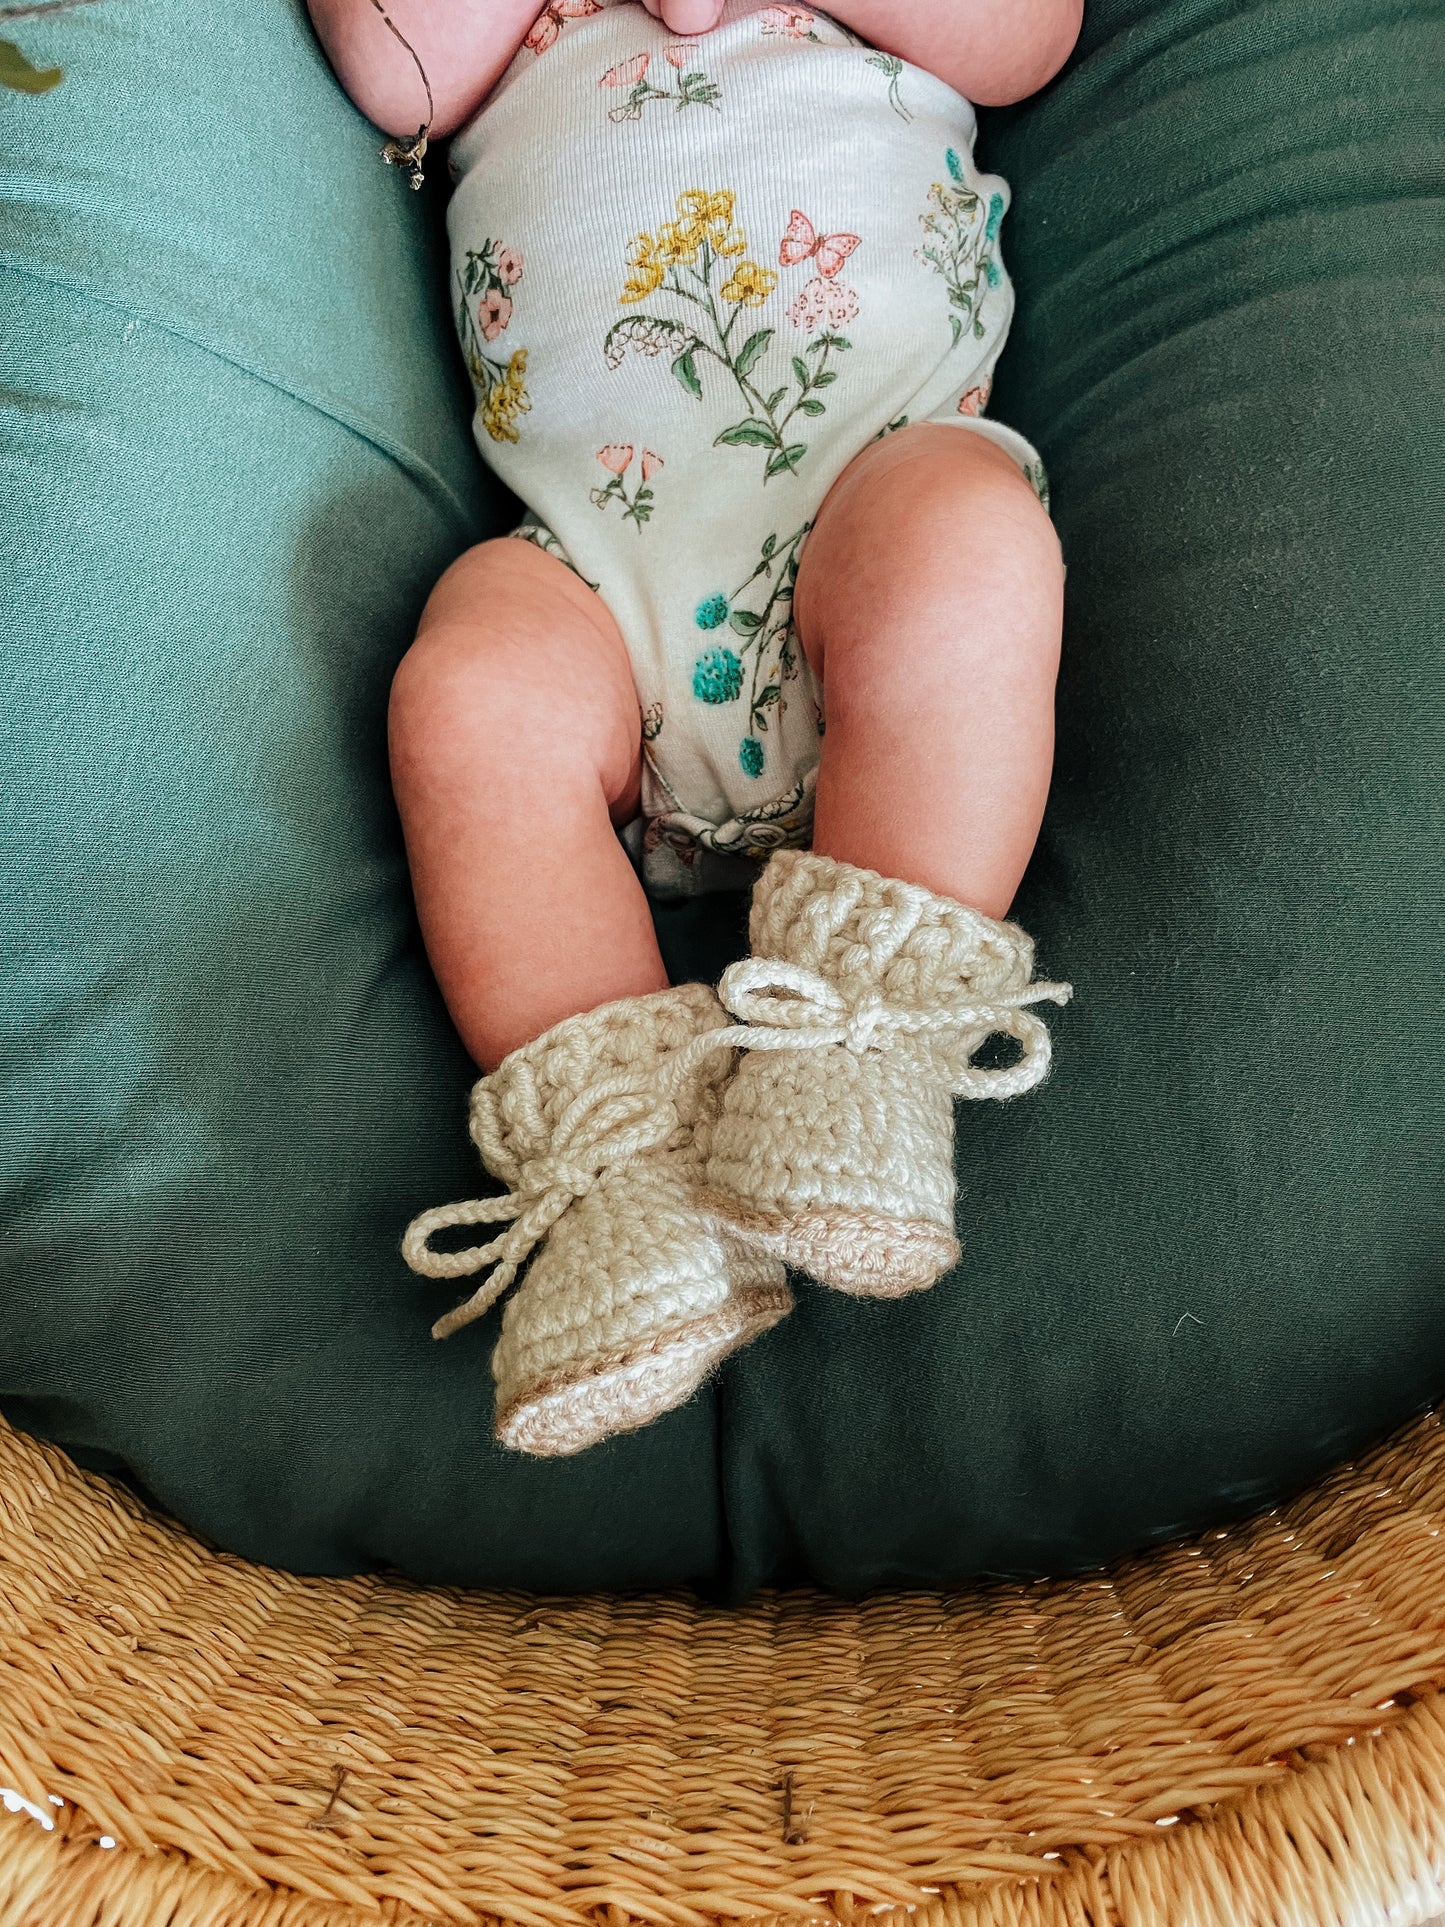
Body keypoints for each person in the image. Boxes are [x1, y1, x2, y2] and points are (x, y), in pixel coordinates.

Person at [306, 0, 1081, 1457]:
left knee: (968, 555)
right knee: (471, 695)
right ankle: (630, 1183)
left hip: (870, 494)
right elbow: (392, 69)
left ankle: (862, 1048)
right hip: (593, 574)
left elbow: (1022, 37)